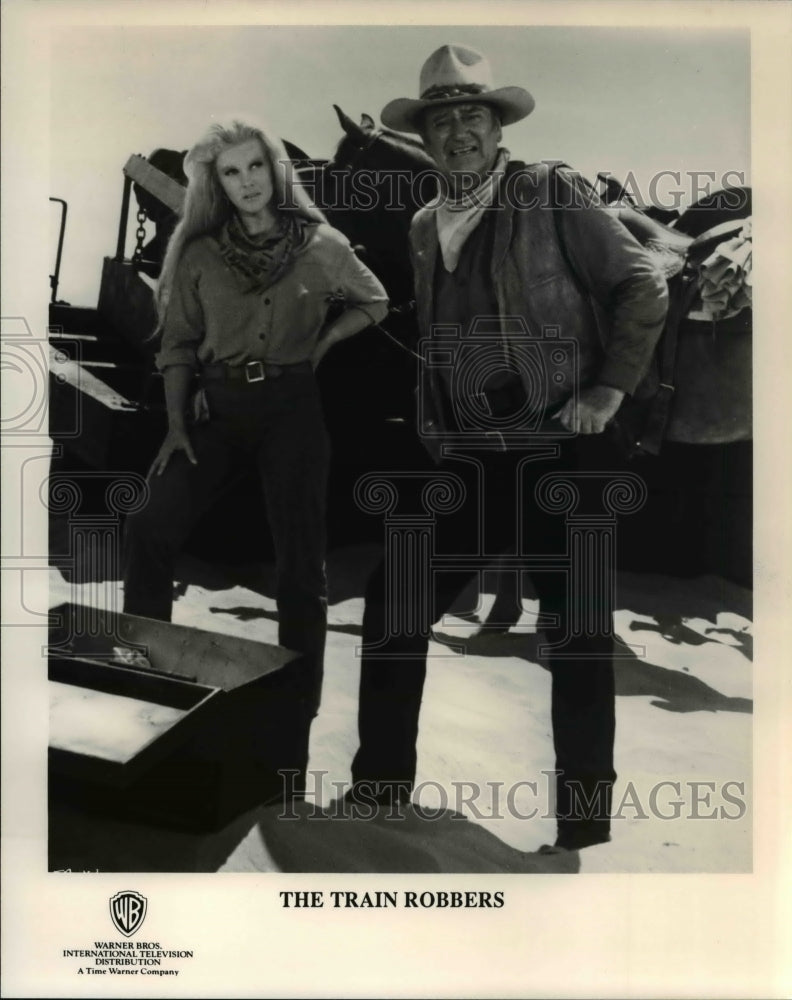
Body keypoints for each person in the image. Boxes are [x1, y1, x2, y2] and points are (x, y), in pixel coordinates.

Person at [347, 45, 669, 850]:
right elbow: (435, 332)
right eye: (442, 121)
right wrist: (435, 431)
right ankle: (379, 790)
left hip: (566, 450)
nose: (457, 133)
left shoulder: (551, 192)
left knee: (578, 636)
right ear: (424, 137)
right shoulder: (426, 224)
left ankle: (583, 832)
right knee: (395, 605)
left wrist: (608, 391)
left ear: (498, 129)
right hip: (473, 458)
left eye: (472, 117)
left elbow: (643, 282)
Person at [122, 118, 389, 783]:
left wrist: (325, 343)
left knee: (300, 570)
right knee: (150, 528)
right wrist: (177, 423)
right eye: (230, 172)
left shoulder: (321, 244)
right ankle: (149, 690)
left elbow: (375, 299)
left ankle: (292, 722)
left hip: (292, 413)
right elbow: (178, 345)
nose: (246, 182)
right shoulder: (198, 252)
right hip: (216, 414)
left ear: (275, 170)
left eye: (255, 167)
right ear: (217, 183)